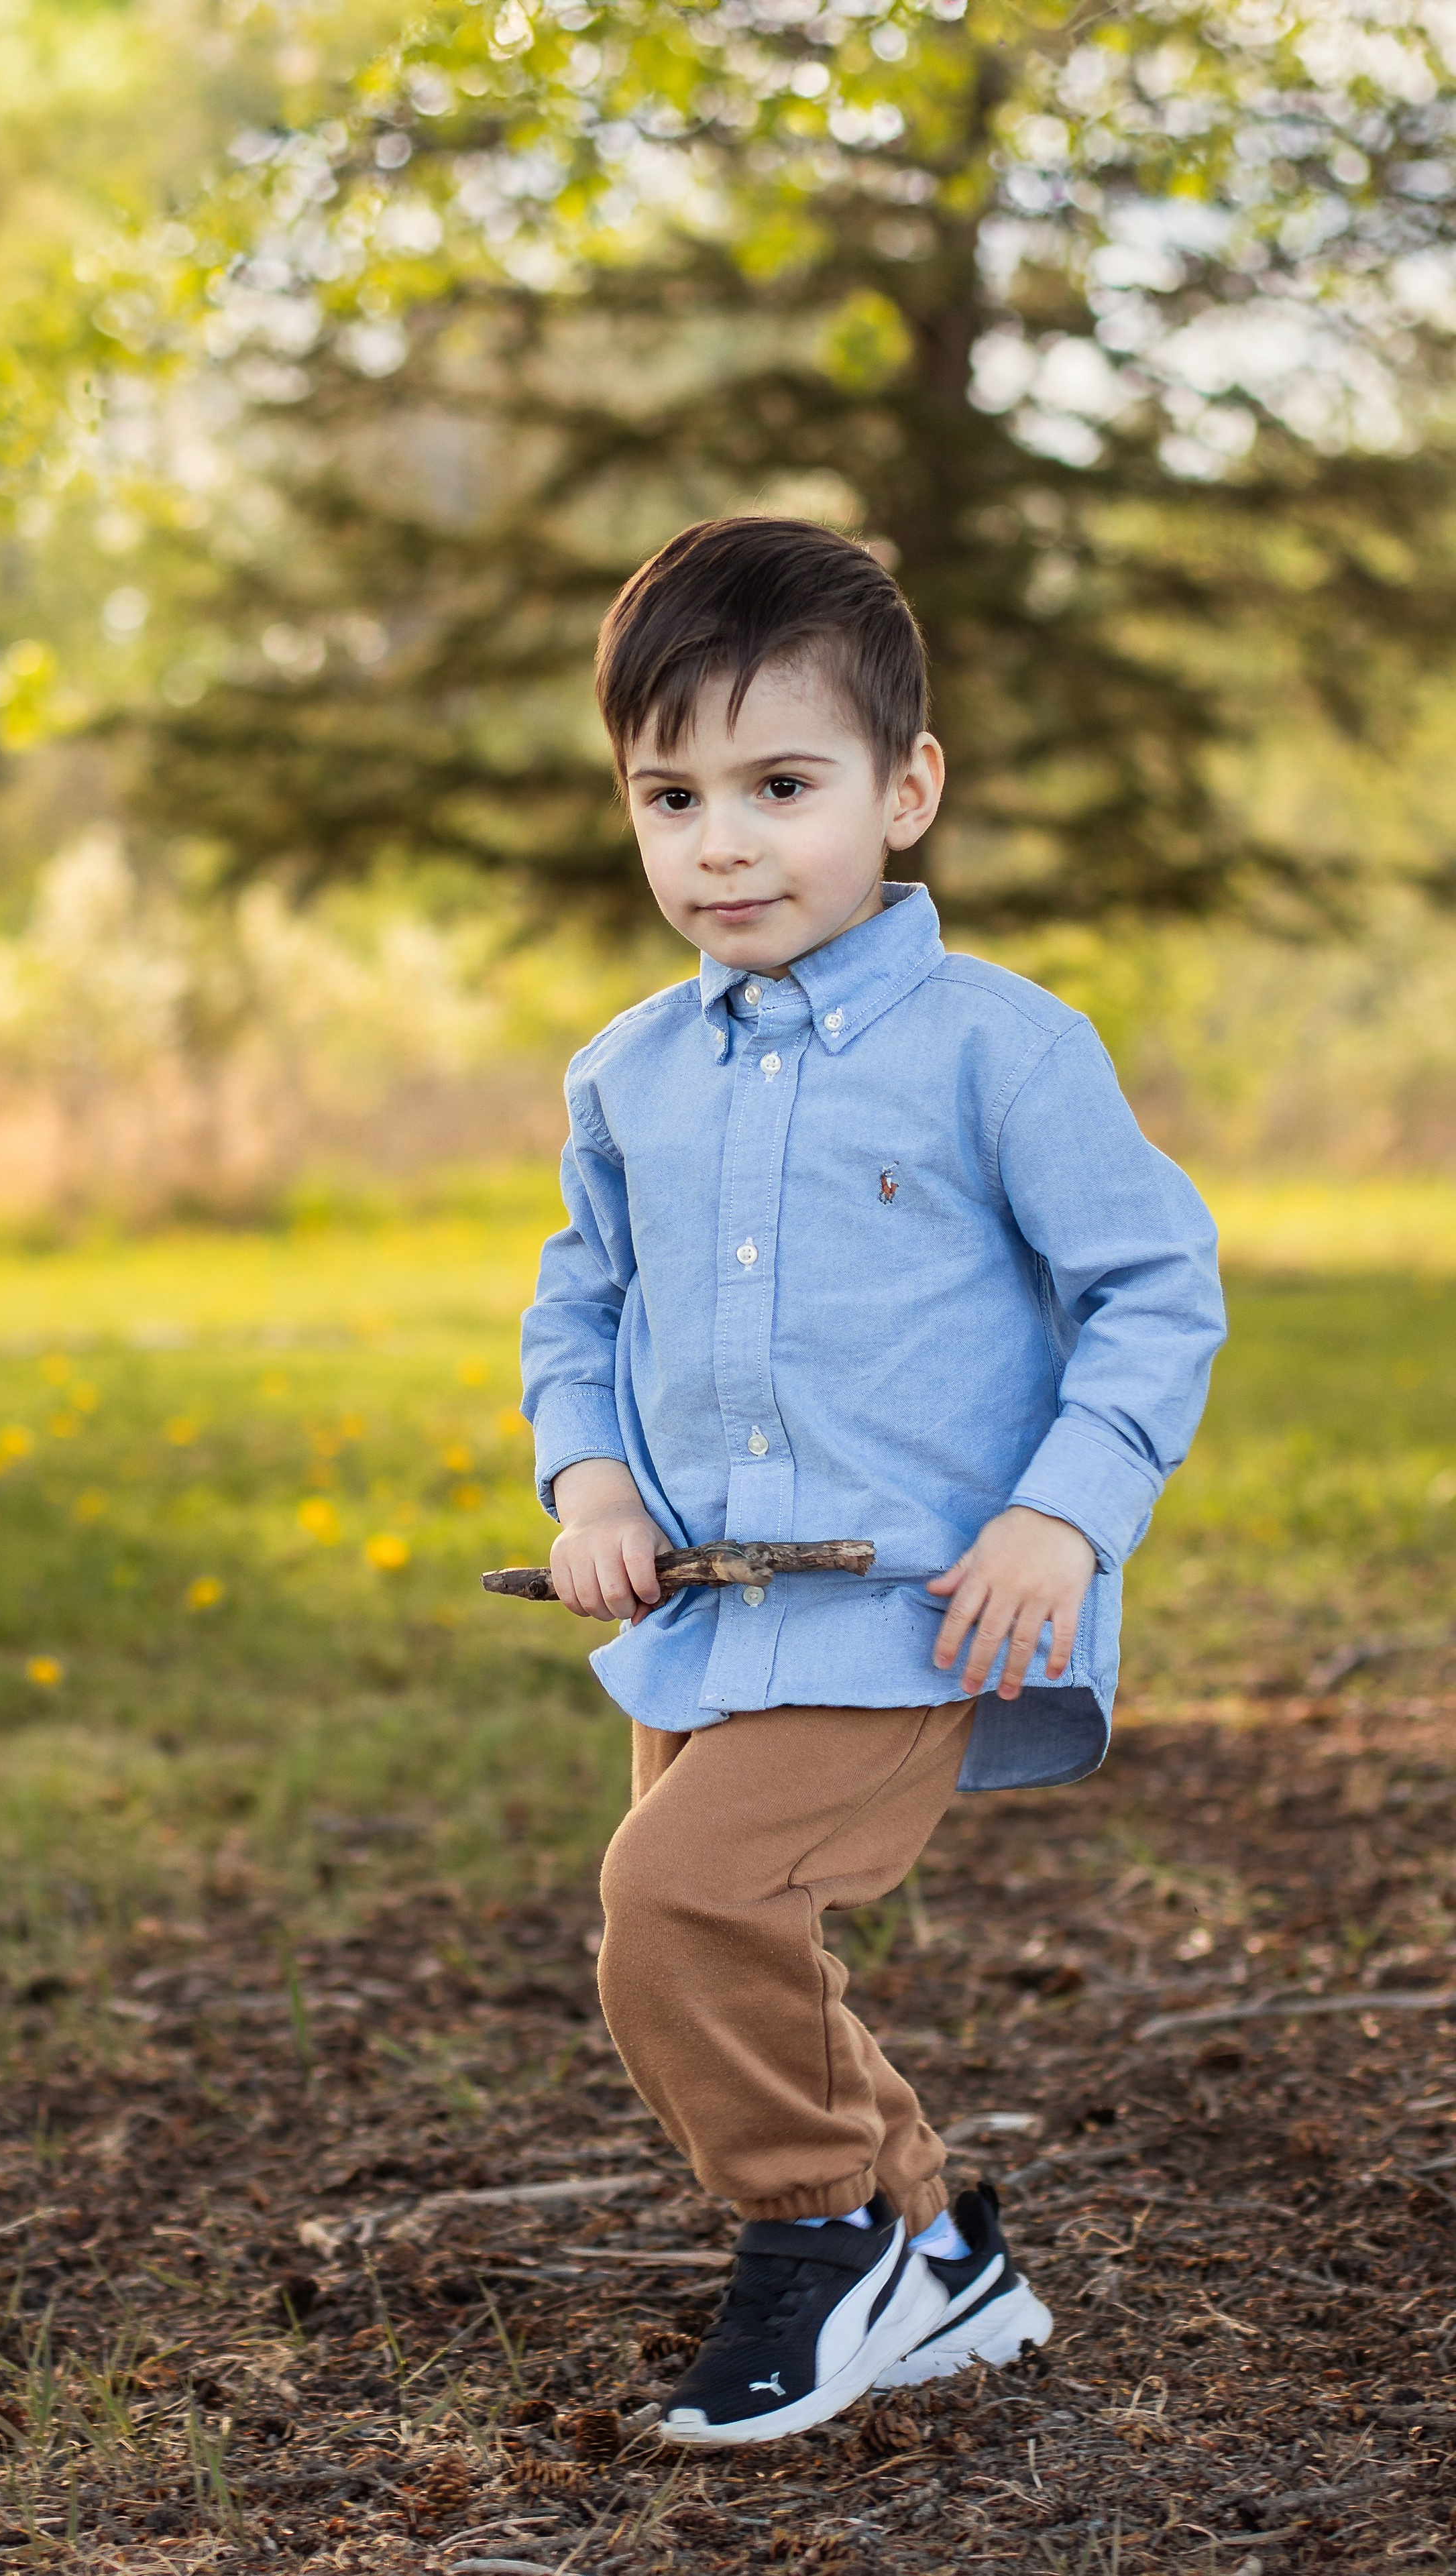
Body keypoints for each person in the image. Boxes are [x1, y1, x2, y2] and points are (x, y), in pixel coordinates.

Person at [518, 516, 1227, 2449]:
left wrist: (1063, 1510)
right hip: (708, 1618)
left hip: (916, 1609)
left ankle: (821, 2233)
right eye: (673, 794)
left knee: (675, 1908)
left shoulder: (1001, 1047)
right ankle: (943, 2247)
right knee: (704, 1934)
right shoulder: (629, 1076)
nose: (721, 842)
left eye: (780, 785)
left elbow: (1154, 1288)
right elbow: (574, 1311)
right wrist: (587, 1479)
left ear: (905, 791)